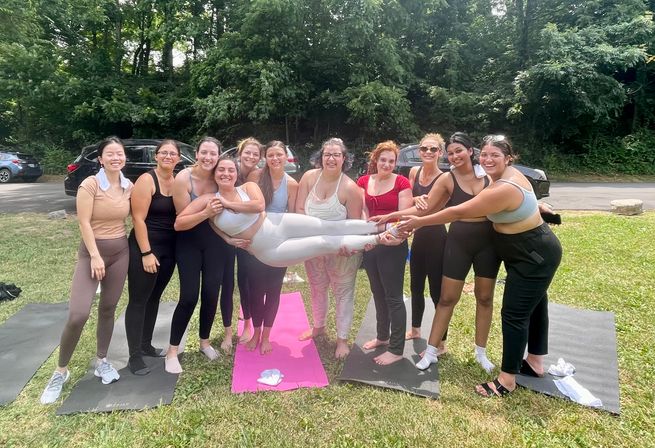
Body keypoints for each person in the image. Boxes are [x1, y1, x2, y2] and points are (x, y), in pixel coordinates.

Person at [398, 135, 562, 397]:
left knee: (514, 313)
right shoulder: (502, 177)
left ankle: (506, 380)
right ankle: (534, 362)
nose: (487, 160)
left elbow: (458, 212)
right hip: (526, 250)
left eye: (494, 155)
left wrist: (417, 223)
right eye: (484, 155)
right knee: (536, 306)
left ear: (509, 158)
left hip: (532, 253)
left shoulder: (503, 186)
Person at [372, 132, 500, 372]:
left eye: (458, 151)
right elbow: (426, 210)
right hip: (457, 241)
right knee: (445, 298)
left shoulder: (488, 175)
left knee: (484, 298)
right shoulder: (447, 179)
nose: (454, 156)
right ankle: (432, 349)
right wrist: (392, 216)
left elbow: (509, 194)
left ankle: (481, 353)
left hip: (487, 244)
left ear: (470, 151)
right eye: (451, 153)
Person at [41, 137, 133, 404]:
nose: (116, 157)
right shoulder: (90, 184)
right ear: (101, 159)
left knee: (108, 308)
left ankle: (102, 360)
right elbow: (83, 222)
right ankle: (61, 371)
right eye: (110, 154)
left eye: (120, 154)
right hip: (91, 254)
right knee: (78, 314)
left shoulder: (129, 186)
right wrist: (94, 256)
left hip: (120, 253)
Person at [165, 137, 234, 374]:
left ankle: (204, 341)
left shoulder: (221, 175)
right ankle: (172, 351)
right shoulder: (184, 178)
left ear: (218, 155)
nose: (208, 158)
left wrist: (231, 239)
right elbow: (180, 223)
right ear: (196, 153)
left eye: (212, 154)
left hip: (216, 243)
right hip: (188, 243)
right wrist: (206, 211)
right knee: (189, 296)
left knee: (211, 294)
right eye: (204, 152)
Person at [296, 138, 364, 359]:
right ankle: (319, 327)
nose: (331, 158)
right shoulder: (308, 177)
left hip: (341, 252)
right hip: (313, 249)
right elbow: (298, 209)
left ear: (344, 159)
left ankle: (342, 340)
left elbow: (356, 225)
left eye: (336, 155)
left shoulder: (350, 188)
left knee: (343, 293)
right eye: (327, 154)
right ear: (320, 157)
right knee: (317, 288)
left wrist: (349, 246)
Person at [124, 140, 180, 375]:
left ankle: (146, 345)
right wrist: (146, 253)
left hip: (170, 249)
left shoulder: (177, 181)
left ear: (178, 158)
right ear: (156, 156)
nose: (168, 156)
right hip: (146, 247)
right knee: (138, 300)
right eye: (163, 153)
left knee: (154, 297)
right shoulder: (147, 180)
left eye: (173, 153)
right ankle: (134, 356)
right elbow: (138, 219)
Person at [357, 141, 413, 366]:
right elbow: (361, 211)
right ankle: (382, 336)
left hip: (392, 243)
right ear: (375, 160)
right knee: (377, 292)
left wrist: (379, 230)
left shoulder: (402, 182)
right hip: (371, 243)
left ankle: (396, 349)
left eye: (392, 161)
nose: (387, 164)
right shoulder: (362, 181)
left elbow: (403, 217)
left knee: (393, 296)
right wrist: (366, 236)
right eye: (383, 160)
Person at [241, 141, 299, 354]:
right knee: (256, 290)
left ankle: (266, 336)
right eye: (271, 155)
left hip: (278, 244)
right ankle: (256, 332)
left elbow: (292, 218)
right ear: (265, 157)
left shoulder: (292, 184)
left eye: (279, 155)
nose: (275, 159)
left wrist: (291, 250)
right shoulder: (255, 177)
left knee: (273, 290)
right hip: (255, 241)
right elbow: (246, 209)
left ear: (286, 157)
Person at [403, 133, 447, 341]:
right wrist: (415, 197)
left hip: (438, 237)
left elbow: (442, 207)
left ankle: (441, 341)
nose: (428, 152)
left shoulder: (445, 178)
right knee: (416, 285)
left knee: (437, 289)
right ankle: (416, 329)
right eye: (424, 149)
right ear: (419, 151)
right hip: (419, 236)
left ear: (440, 152)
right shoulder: (414, 171)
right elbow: (409, 202)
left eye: (433, 149)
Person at [233, 138, 262, 345]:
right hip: (225, 231)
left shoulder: (258, 175)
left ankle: (249, 324)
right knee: (231, 281)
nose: (251, 157)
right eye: (248, 153)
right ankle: (237, 324)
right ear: (240, 152)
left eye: (255, 154)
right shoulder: (227, 170)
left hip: (249, 234)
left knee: (248, 279)